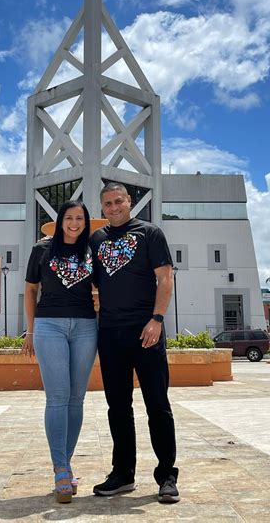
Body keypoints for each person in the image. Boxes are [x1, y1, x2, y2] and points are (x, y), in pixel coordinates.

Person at [90, 182, 179, 504]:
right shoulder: (96, 240)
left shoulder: (149, 233)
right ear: (102, 208)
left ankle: (167, 475)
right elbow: (90, 280)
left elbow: (165, 277)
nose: (114, 207)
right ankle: (123, 474)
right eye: (108, 204)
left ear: (129, 201)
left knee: (157, 405)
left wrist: (156, 319)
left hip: (146, 332)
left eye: (118, 201)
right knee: (118, 408)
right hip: (110, 333)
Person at [23, 200, 97, 503]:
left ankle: (64, 465)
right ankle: (61, 469)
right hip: (49, 325)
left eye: (80, 218)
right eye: (69, 218)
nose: (74, 223)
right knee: (57, 397)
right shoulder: (42, 249)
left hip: (85, 327)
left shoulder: (93, 251)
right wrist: (30, 330)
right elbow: (30, 289)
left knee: (76, 398)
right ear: (60, 220)